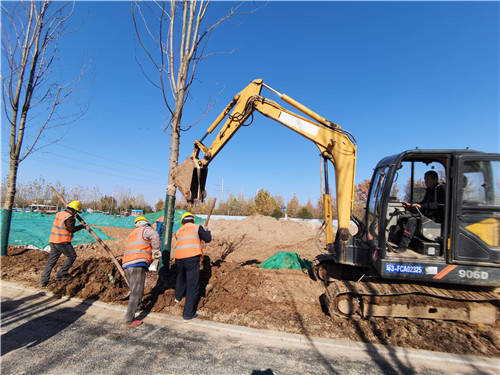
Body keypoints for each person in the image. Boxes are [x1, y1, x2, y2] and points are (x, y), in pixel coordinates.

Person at [121, 216, 161, 328]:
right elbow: (155, 236)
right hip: (138, 262)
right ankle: (128, 320)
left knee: (135, 289)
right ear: (146, 223)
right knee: (136, 292)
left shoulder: (132, 234)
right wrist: (156, 251)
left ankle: (138, 306)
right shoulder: (146, 229)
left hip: (126, 264)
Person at [392, 170, 445, 253]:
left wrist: (421, 206)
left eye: (428, 179)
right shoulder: (430, 191)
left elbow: (438, 204)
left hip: (436, 217)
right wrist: (411, 205)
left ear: (435, 180)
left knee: (412, 221)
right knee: (402, 218)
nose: (426, 181)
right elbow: (423, 203)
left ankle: (403, 246)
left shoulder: (440, 189)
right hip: (428, 215)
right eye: (425, 179)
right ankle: (395, 241)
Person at [174, 212, 211, 321]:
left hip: (179, 258)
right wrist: (206, 230)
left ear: (183, 222)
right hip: (192, 257)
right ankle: (188, 314)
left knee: (181, 278)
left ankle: (178, 296)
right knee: (192, 285)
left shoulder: (179, 231)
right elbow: (208, 239)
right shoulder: (197, 227)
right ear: (192, 220)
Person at [40, 201, 85, 287]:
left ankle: (43, 281)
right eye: (76, 212)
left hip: (53, 240)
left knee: (51, 261)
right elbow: (71, 229)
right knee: (72, 256)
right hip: (62, 242)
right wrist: (82, 226)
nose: (76, 213)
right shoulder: (70, 217)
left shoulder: (59, 214)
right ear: (74, 210)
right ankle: (61, 274)